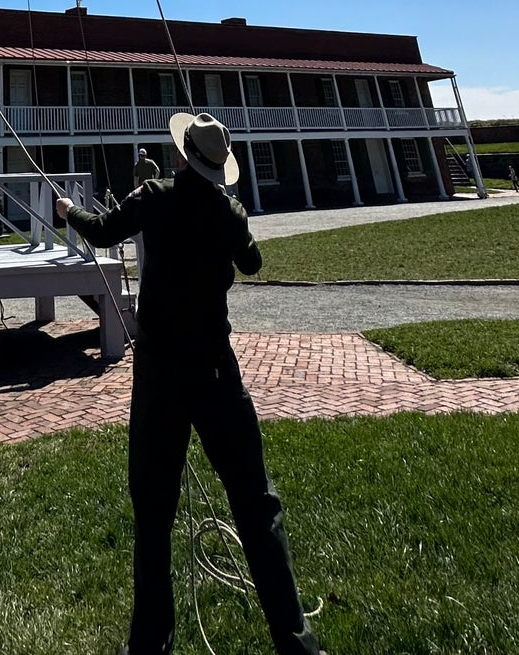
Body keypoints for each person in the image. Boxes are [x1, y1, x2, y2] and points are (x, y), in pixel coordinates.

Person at [57, 112, 322, 655]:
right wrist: (236, 222)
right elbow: (252, 262)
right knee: (256, 504)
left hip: (160, 374)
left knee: (154, 515)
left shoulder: (154, 195)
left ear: (182, 156)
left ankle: (151, 647)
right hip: (217, 371)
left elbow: (104, 228)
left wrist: (67, 210)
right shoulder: (228, 211)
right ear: (218, 164)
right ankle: (299, 644)